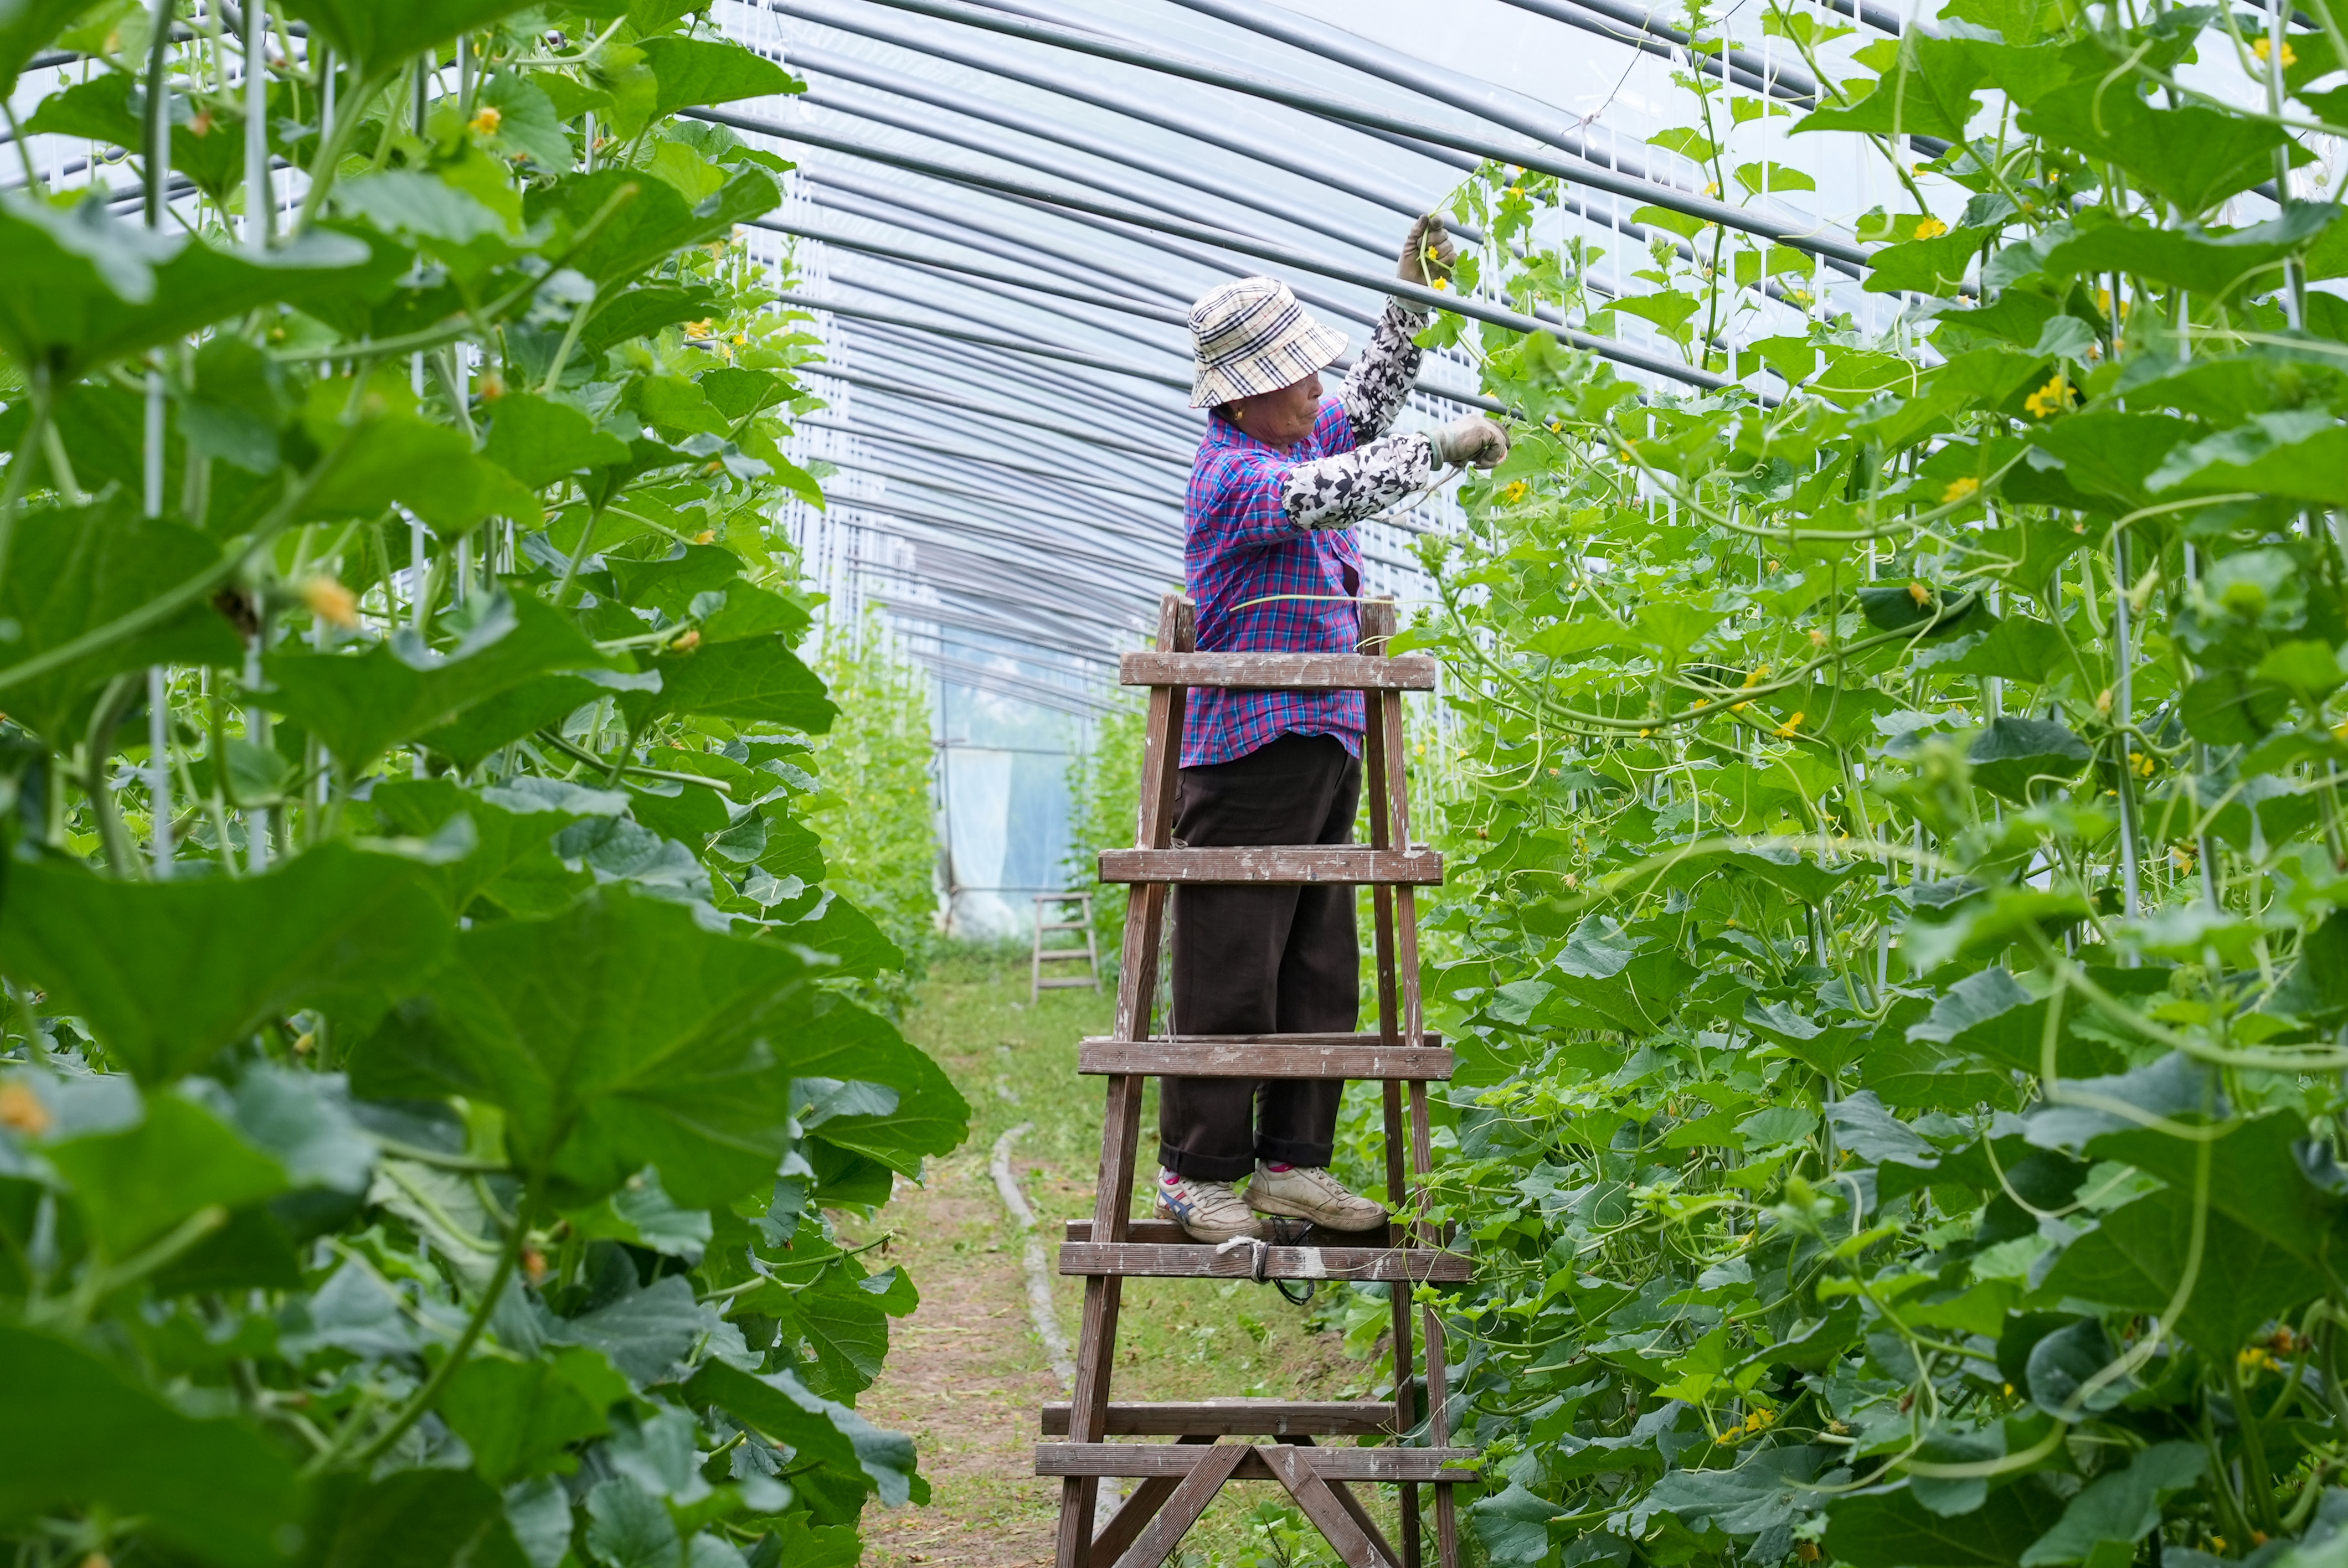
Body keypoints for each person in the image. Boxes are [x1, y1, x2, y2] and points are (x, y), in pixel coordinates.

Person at [1154, 216, 1510, 1244]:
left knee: (1319, 965)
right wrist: (1440, 449)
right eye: (1297, 376)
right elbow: (1333, 491)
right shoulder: (1234, 474)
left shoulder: (1296, 432)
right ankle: (1196, 1176)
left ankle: (1291, 1166)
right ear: (1243, 396)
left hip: (1323, 735)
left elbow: (1372, 405)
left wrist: (1412, 299)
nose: (1318, 388)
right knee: (1231, 966)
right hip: (1245, 753)